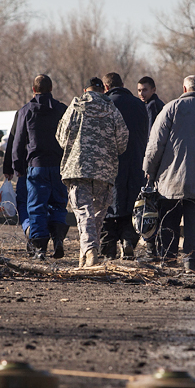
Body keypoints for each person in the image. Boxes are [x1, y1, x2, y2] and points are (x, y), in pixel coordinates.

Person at [143, 75, 195, 271]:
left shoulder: (170, 108)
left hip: (170, 180)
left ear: (184, 89)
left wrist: (149, 170)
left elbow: (155, 145)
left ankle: (168, 259)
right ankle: (191, 262)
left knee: (169, 218)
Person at [57, 77, 129, 267]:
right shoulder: (112, 109)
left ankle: (89, 251)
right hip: (105, 171)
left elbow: (61, 137)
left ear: (85, 90)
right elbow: (122, 142)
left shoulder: (75, 106)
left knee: (84, 213)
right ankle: (87, 254)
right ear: (103, 90)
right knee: (97, 215)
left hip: (78, 168)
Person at [12, 74, 69, 260]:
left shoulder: (26, 111)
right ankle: (58, 238)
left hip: (36, 166)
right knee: (58, 203)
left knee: (36, 206)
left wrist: (17, 165)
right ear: (51, 89)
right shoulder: (62, 109)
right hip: (59, 166)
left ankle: (40, 248)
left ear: (33, 90)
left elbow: (18, 140)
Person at [100, 72, 149, 260]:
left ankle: (109, 250)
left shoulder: (106, 104)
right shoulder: (139, 105)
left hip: (110, 164)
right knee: (132, 205)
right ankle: (128, 239)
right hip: (136, 163)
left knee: (109, 206)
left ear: (106, 87)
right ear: (123, 84)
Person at [137, 76, 166, 260]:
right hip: (156, 163)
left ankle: (151, 249)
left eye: (145, 90)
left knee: (150, 207)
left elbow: (152, 138)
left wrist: (148, 163)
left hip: (153, 164)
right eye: (139, 90)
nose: (141, 93)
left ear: (153, 89)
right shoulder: (152, 104)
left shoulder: (153, 106)